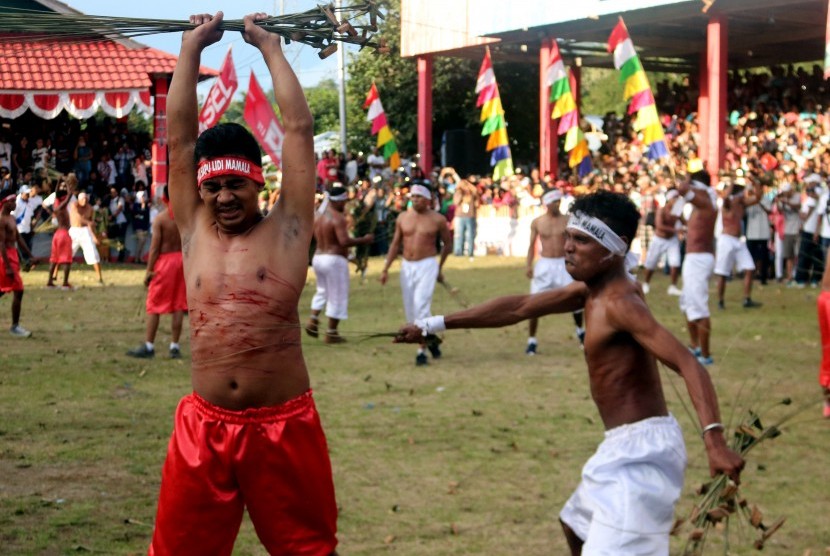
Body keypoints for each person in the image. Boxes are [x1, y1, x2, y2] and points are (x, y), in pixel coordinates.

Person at [395, 190, 745, 555]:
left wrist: (715, 442)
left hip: (643, 456)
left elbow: (688, 363)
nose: (568, 247)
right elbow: (520, 307)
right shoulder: (589, 291)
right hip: (621, 446)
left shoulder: (621, 304)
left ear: (615, 249)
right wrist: (432, 324)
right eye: (568, 238)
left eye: (581, 240)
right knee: (575, 525)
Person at [148, 12, 337, 555]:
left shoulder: (290, 228)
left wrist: (270, 48)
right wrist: (188, 52)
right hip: (203, 428)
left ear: (259, 183)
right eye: (215, 188)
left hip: (284, 425)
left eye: (237, 185)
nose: (225, 198)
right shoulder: (192, 228)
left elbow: (299, 131)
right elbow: (179, 139)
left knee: (308, 551)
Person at [380, 181, 452, 366]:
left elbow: (448, 244)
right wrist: (386, 268)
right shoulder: (403, 217)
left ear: (428, 200)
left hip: (427, 264)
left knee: (421, 305)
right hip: (407, 266)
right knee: (411, 310)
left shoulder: (437, 219)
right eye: (413, 196)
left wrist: (439, 268)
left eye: (419, 197)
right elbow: (395, 244)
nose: (415, 200)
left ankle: (421, 351)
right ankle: (431, 341)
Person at [305, 186, 373, 343]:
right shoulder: (337, 217)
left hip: (318, 258)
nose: (345, 204)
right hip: (334, 260)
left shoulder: (318, 215)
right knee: (338, 295)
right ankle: (331, 333)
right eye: (344, 201)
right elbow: (344, 241)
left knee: (322, 291)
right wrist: (364, 240)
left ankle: (313, 319)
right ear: (337, 201)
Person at [127, 187, 187, 360]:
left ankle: (149, 345)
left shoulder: (161, 219)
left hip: (165, 263)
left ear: (164, 198)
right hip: (181, 261)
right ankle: (174, 346)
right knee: (178, 305)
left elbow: (154, 249)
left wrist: (149, 271)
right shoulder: (185, 219)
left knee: (154, 305)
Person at [525, 189, 584, 354]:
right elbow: (531, 245)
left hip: (565, 263)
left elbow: (578, 243)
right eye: (554, 201)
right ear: (546, 203)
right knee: (534, 303)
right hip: (545, 264)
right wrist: (528, 265)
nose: (557, 204)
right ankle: (532, 340)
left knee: (577, 300)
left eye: (559, 201)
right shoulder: (538, 222)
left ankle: (581, 332)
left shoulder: (569, 220)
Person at [678, 170, 718, 366]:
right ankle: (695, 347)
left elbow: (682, 189)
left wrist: (685, 181)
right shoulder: (701, 203)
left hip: (699, 259)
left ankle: (706, 354)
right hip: (693, 258)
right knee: (688, 303)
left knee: (699, 307)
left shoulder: (704, 201)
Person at [715, 177, 761, 310]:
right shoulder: (728, 203)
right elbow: (724, 198)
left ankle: (747, 299)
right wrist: (732, 184)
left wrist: (756, 182)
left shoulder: (742, 204)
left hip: (739, 240)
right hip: (726, 239)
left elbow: (757, 198)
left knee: (749, 268)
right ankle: (720, 301)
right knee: (723, 273)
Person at [0, 192, 34, 337]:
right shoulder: (2, 220)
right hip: (5, 257)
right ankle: (15, 326)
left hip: (13, 255)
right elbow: (1, 244)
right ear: (5, 203)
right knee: (18, 290)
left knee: (2, 290)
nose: (15, 203)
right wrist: (7, 266)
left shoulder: (12, 218)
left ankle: (15, 326)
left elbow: (18, 238)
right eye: (13, 201)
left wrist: (30, 256)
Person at [641, 189, 683, 296]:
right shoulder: (661, 210)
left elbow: (684, 221)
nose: (677, 200)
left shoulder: (677, 211)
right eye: (675, 198)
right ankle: (646, 283)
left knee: (675, 263)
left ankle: (673, 287)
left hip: (672, 240)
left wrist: (688, 227)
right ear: (669, 199)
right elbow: (659, 226)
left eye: (677, 198)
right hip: (659, 240)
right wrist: (676, 230)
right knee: (651, 263)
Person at [68, 191, 104, 284]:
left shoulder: (90, 208)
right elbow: (78, 217)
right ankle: (55, 275)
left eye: (86, 199)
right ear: (79, 200)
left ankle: (100, 277)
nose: (84, 201)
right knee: (66, 253)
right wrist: (89, 222)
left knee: (93, 253)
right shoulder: (74, 205)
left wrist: (94, 236)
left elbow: (90, 224)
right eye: (82, 199)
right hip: (74, 231)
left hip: (85, 232)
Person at [46, 189, 73, 290]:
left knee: (54, 259)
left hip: (57, 235)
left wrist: (59, 180)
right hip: (64, 234)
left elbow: (57, 192)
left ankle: (49, 282)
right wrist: (68, 184)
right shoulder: (62, 206)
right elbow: (69, 195)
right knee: (67, 260)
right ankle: (65, 283)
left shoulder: (56, 205)